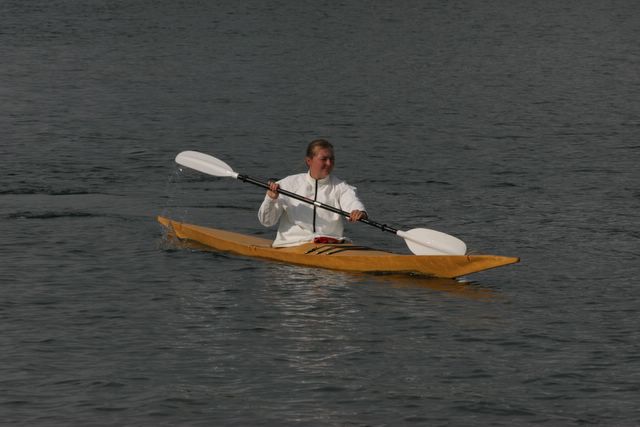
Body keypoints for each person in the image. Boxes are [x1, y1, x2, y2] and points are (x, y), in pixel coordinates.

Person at [258, 139, 368, 247]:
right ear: (309, 161)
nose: (329, 163)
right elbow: (267, 221)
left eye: (331, 159)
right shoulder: (286, 185)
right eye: (324, 159)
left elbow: (352, 202)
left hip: (330, 244)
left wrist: (359, 212)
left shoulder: (341, 187)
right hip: (291, 244)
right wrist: (271, 199)